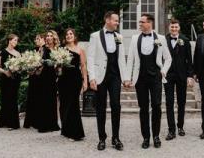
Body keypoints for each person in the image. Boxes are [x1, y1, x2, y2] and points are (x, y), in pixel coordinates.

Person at [125, 14, 172, 149]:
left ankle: (156, 136)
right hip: (140, 78)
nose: (139, 24)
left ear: (149, 23)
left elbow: (168, 58)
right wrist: (128, 77)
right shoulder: (134, 39)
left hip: (156, 77)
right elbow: (131, 60)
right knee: (143, 108)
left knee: (157, 106)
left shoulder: (161, 38)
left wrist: (164, 70)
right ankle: (146, 137)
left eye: (142, 22)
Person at [87, 11, 128, 151]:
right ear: (107, 20)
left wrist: (125, 78)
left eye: (117, 21)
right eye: (116, 20)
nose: (117, 23)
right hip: (100, 76)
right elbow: (90, 58)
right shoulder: (95, 36)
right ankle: (101, 138)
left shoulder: (119, 37)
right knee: (101, 107)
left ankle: (116, 138)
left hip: (115, 76)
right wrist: (91, 77)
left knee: (116, 105)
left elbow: (122, 58)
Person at [163, 19, 194, 140]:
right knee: (169, 103)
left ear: (179, 28)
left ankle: (180, 126)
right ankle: (171, 130)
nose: (174, 29)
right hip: (168, 75)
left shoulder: (185, 40)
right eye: (172, 27)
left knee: (182, 102)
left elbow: (189, 60)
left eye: (176, 27)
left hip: (181, 75)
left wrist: (190, 76)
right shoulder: (163, 40)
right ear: (169, 27)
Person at [58, 28, 87, 141]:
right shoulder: (61, 49)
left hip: (75, 79)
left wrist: (85, 81)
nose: (69, 35)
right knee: (64, 104)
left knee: (73, 104)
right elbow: (58, 67)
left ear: (75, 36)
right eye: (67, 34)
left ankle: (76, 133)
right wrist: (58, 66)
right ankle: (66, 129)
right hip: (63, 79)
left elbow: (83, 66)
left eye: (71, 34)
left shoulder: (80, 50)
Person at [0, 33, 21, 130]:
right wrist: (5, 72)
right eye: (15, 40)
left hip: (15, 79)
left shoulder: (18, 53)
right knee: (5, 99)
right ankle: (4, 121)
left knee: (13, 99)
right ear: (9, 40)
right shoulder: (2, 52)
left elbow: (21, 66)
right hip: (5, 79)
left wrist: (16, 69)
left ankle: (13, 124)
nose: (16, 42)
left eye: (17, 40)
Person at [38, 30, 61, 133]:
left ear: (54, 38)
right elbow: (38, 61)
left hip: (53, 76)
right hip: (44, 76)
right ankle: (43, 125)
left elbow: (60, 64)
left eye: (50, 36)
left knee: (52, 100)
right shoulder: (43, 49)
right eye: (47, 36)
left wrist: (58, 67)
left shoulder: (58, 49)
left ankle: (53, 124)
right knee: (44, 99)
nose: (48, 37)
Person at [23, 33, 46, 129]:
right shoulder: (35, 50)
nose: (36, 40)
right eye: (35, 39)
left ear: (42, 39)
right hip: (33, 77)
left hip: (41, 77)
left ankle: (38, 121)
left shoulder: (46, 50)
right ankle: (30, 121)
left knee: (39, 98)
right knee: (32, 97)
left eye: (37, 38)